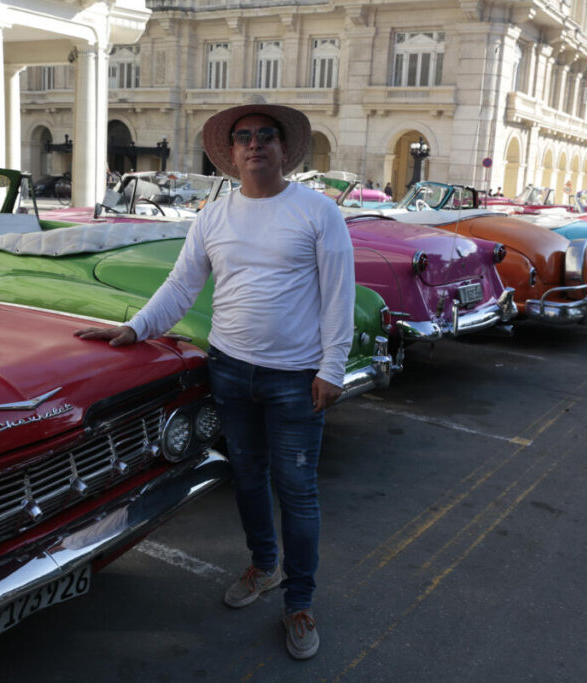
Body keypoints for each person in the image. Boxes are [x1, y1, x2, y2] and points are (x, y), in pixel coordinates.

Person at [74, 104, 354, 660]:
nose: (254, 144)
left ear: (284, 149)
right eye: (243, 137)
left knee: (298, 493)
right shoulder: (213, 216)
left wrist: (333, 368)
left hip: (296, 378)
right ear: (230, 152)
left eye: (266, 136)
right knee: (247, 478)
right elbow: (182, 286)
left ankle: (299, 602)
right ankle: (264, 566)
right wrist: (136, 328)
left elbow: (338, 294)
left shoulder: (318, 212)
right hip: (229, 370)